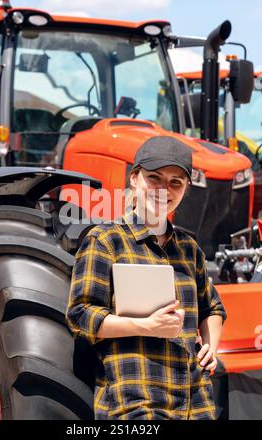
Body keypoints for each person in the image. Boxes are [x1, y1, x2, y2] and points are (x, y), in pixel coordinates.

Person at [66, 135, 227, 420]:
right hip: (135, 403)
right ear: (134, 178)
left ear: (186, 188)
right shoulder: (105, 240)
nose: (164, 189)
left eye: (176, 182)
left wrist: (211, 348)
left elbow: (212, 308)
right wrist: (146, 325)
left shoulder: (189, 249)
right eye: (155, 178)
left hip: (196, 403)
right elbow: (80, 315)